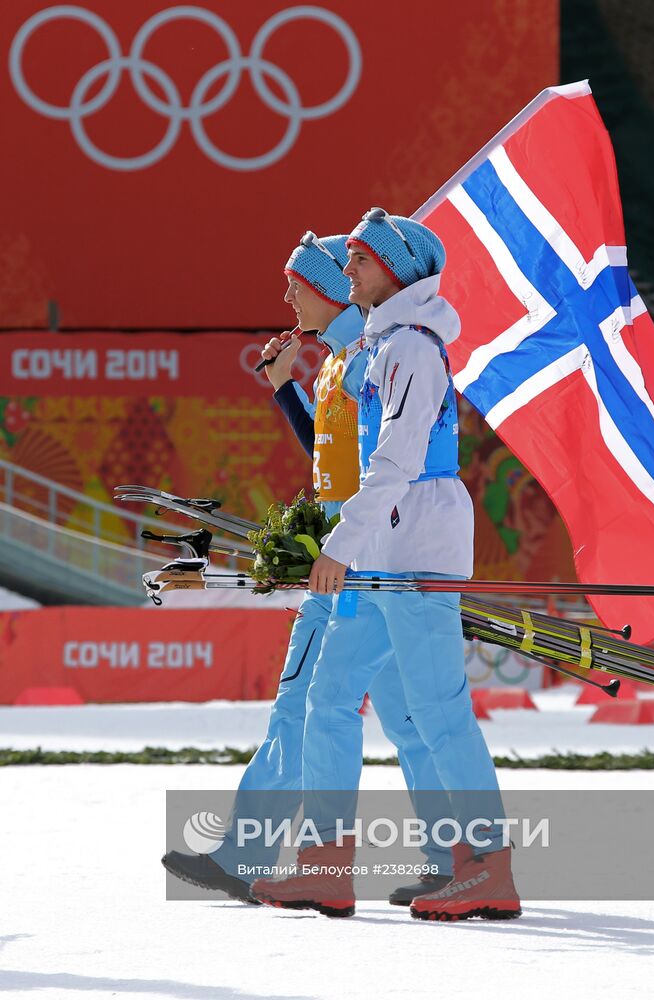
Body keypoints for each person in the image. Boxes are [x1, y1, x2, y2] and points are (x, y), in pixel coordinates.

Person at [162, 232, 452, 904]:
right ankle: (454, 855)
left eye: (297, 283)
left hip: (357, 562)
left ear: (326, 289)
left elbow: (382, 468)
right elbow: (330, 465)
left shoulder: (367, 356)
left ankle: (249, 856)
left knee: (304, 705)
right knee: (409, 716)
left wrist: (335, 542)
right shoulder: (337, 361)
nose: (286, 295)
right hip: (360, 553)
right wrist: (283, 389)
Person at [251, 210, 521, 921]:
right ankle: (325, 864)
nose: (348, 272)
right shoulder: (380, 343)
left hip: (416, 546)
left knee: (436, 709)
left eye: (360, 263)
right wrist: (351, 544)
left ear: (396, 272)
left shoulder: (413, 349)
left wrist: (339, 545)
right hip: (381, 550)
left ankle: (485, 863)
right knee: (328, 697)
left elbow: (396, 461)